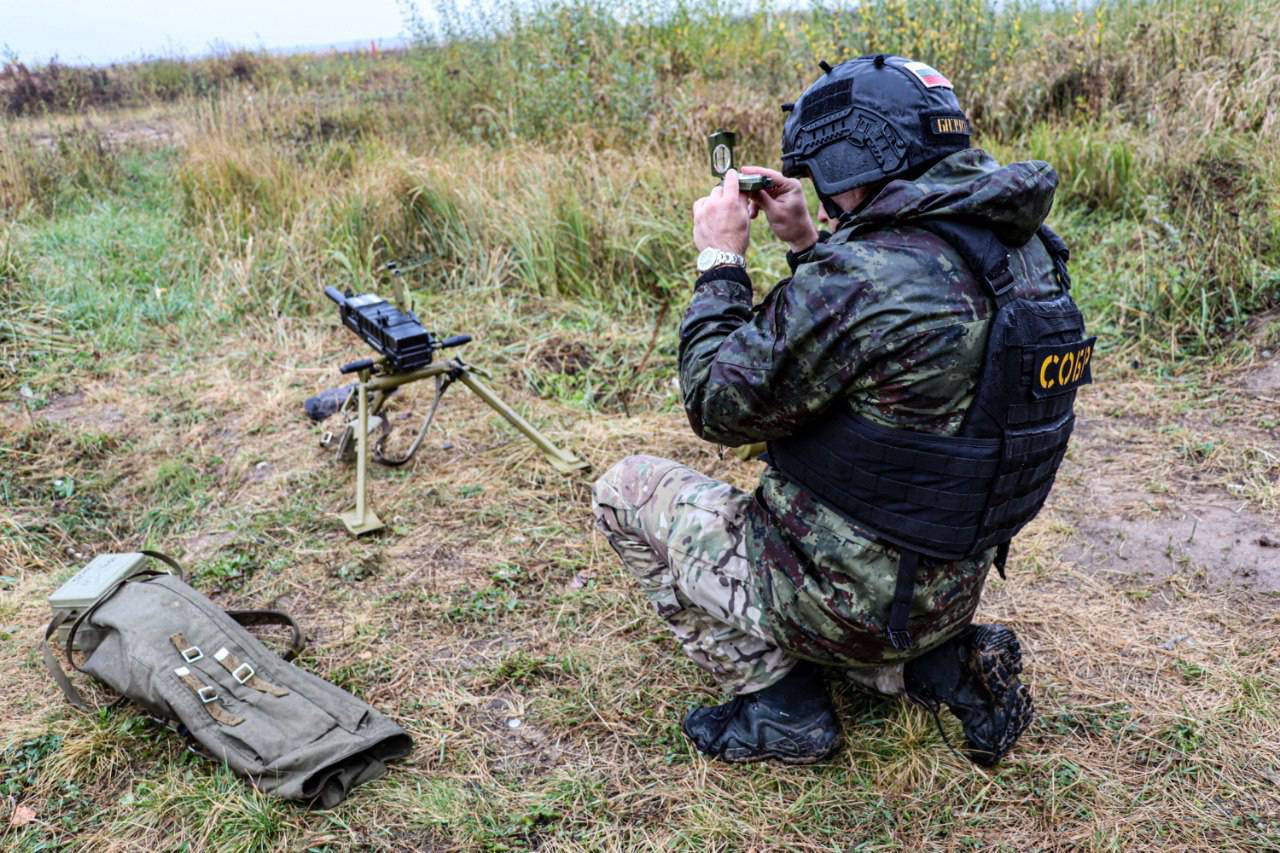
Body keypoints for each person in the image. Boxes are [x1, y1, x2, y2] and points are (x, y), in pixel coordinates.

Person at [593, 55, 1094, 765]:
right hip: (950, 584)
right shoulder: (1024, 249)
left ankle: (779, 706)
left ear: (860, 156)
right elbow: (878, 342)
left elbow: (717, 403)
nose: (824, 198)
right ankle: (935, 663)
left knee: (623, 488)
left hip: (849, 602)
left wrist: (721, 264)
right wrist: (807, 244)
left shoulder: (865, 276)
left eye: (825, 176)